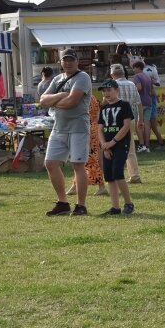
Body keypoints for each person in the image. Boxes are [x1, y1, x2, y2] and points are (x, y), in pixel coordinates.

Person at [40, 48, 93, 216]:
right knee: (50, 163)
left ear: (77, 62)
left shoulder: (83, 77)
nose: (68, 62)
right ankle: (63, 202)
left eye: (71, 59)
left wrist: (54, 101)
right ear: (60, 62)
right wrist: (61, 95)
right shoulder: (57, 79)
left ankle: (81, 205)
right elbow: (42, 100)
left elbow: (72, 101)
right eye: (65, 60)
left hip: (78, 128)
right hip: (59, 128)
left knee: (78, 165)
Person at [97, 79, 135, 215]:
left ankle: (129, 203)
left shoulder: (124, 105)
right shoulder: (103, 108)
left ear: (116, 90)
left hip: (120, 143)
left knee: (118, 173)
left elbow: (126, 126)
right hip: (107, 145)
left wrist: (112, 142)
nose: (106, 93)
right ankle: (115, 207)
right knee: (109, 176)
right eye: (104, 91)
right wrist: (104, 146)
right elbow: (100, 128)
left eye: (109, 90)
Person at [66, 95, 107, 197]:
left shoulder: (79, 98)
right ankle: (76, 186)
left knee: (87, 160)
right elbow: (98, 116)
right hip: (93, 130)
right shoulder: (92, 98)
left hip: (85, 130)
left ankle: (100, 186)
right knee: (88, 160)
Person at [110, 64, 144, 184]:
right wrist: (141, 119)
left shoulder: (113, 85)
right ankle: (135, 175)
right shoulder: (131, 84)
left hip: (116, 120)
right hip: (131, 119)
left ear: (112, 74)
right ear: (123, 73)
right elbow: (139, 103)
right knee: (130, 149)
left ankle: (116, 175)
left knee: (113, 147)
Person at [131, 60, 153, 153]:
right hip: (149, 101)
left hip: (139, 102)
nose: (133, 70)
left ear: (137, 68)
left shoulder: (137, 76)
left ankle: (141, 145)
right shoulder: (147, 76)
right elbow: (152, 91)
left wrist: (131, 88)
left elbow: (139, 87)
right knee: (147, 123)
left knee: (138, 122)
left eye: (133, 68)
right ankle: (147, 145)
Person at [144, 60, 165, 150]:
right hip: (148, 104)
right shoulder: (150, 71)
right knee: (151, 125)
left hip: (149, 105)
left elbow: (154, 87)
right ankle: (158, 143)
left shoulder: (148, 72)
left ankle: (149, 145)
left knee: (152, 124)